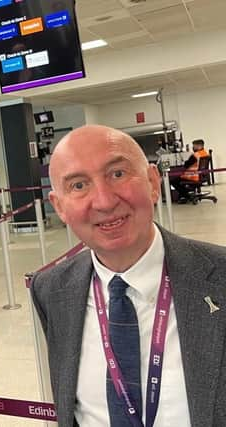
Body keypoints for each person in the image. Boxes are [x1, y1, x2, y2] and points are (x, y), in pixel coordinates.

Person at [31, 124, 226, 426]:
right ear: (60, 207)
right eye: (79, 186)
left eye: (117, 174)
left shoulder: (220, 277)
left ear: (151, 181)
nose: (105, 202)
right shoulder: (51, 290)